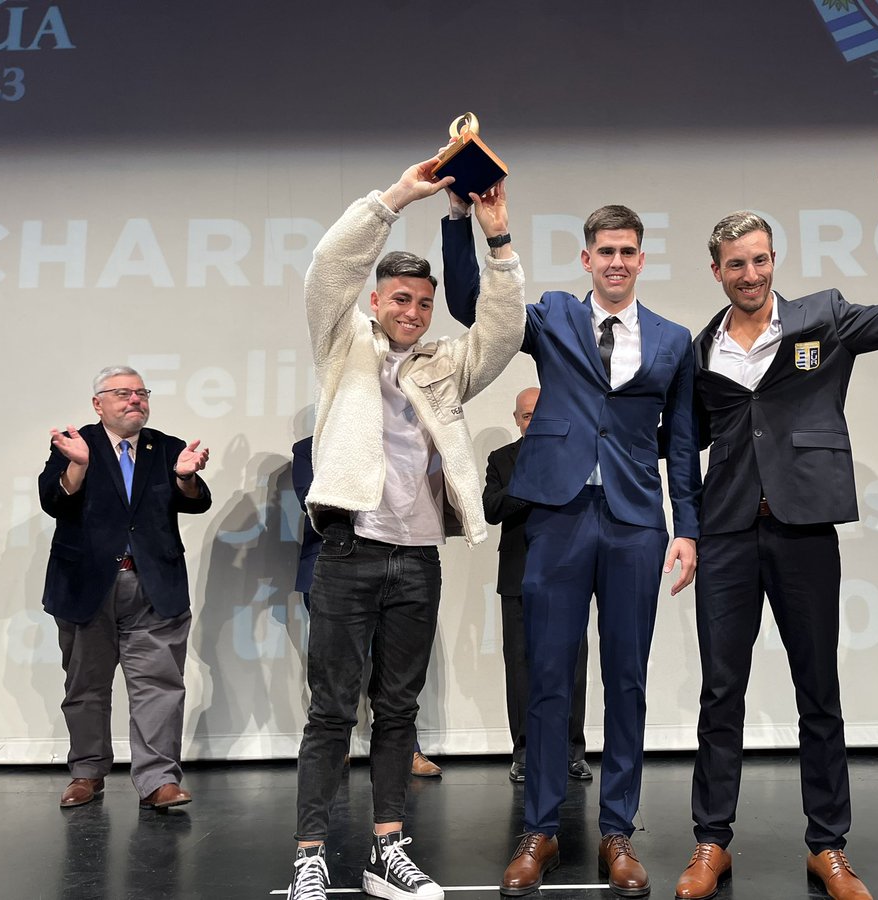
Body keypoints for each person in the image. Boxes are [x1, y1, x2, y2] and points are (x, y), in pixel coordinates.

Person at [674, 157, 878, 900]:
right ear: (715, 271)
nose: (750, 274)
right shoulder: (698, 349)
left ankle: (828, 846)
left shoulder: (825, 319)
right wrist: (684, 526)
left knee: (820, 690)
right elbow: (682, 448)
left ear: (774, 260)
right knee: (721, 693)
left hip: (804, 529)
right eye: (735, 264)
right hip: (726, 536)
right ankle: (711, 843)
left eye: (760, 260)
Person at [443, 202, 701, 897]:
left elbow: (680, 443)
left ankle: (617, 833)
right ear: (586, 259)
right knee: (548, 678)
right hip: (554, 516)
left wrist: (688, 529)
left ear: (641, 260)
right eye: (604, 250)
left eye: (627, 251)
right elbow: (474, 304)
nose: (616, 261)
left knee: (627, 680)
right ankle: (541, 831)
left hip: (634, 523)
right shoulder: (553, 315)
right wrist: (463, 221)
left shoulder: (674, 339)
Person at [286, 156, 524, 900]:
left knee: (399, 712)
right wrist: (395, 198)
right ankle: (311, 854)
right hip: (350, 553)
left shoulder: (442, 365)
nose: (413, 312)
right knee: (330, 712)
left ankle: (387, 848)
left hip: (418, 558)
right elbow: (330, 265)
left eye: (423, 303)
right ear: (377, 301)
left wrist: (498, 239)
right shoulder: (343, 346)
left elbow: (504, 329)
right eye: (400, 299)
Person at [40, 366, 211, 810]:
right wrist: (77, 466)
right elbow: (52, 500)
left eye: (141, 393)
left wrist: (185, 477)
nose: (135, 400)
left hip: (153, 587)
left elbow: (195, 501)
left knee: (159, 686)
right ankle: (87, 772)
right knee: (86, 686)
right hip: (86, 586)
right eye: (122, 393)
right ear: (99, 403)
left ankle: (158, 781)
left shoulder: (166, 447)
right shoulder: (77, 444)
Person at [292, 435, 443, 779]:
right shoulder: (308, 448)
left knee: (397, 680)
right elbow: (312, 500)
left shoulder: (400, 442)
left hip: (399, 566)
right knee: (333, 673)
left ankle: (408, 750)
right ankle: (335, 747)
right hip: (333, 567)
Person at [482, 387, 592, 785]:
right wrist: (532, 483)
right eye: (526, 415)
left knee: (572, 668)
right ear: (517, 420)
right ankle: (525, 752)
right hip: (517, 575)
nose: (533, 421)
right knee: (521, 667)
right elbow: (491, 509)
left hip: (569, 573)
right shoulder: (502, 459)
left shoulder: (576, 454)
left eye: (539, 413)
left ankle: (571, 752)